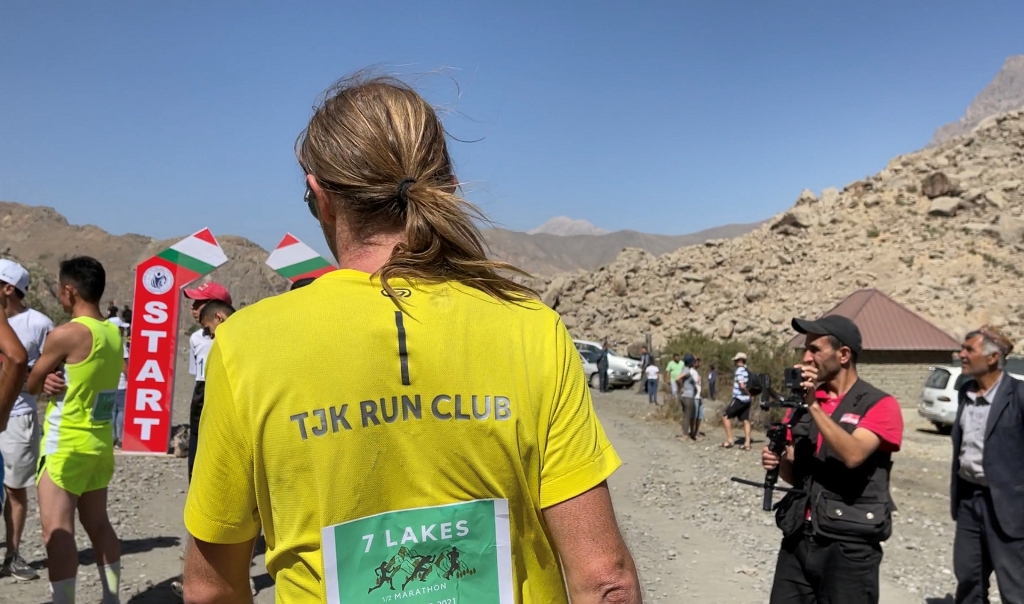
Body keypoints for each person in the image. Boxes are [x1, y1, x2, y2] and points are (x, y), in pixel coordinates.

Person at [182, 75, 640, 604]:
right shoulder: (531, 327)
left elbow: (210, 590)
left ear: (321, 198)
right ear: (447, 188)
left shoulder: (246, 345)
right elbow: (604, 580)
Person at [761, 316, 903, 604]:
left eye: (815, 349)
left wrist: (813, 405)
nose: (806, 357)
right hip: (798, 538)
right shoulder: (803, 404)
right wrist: (778, 460)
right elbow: (796, 475)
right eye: (805, 349)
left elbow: (853, 454)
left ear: (844, 354)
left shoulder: (879, 404)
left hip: (849, 546)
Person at [26, 256, 123, 604]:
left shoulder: (66, 334)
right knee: (99, 524)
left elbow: (32, 383)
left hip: (65, 443)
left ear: (69, 290)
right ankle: (111, 598)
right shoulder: (112, 332)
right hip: (99, 442)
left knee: (57, 530)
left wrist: (44, 380)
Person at [949, 326, 1024, 603]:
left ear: (992, 358)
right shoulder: (965, 393)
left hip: (1009, 505)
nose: (961, 354)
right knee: (969, 577)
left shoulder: (1018, 395)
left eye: (969, 350)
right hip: (969, 499)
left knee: (1014, 586)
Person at [0, 260, 53, 580]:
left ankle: (13, 554)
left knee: (14, 489)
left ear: (8, 288)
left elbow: (55, 369)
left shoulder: (39, 324)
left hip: (18, 417)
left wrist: (33, 378)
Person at [182, 281, 232, 482]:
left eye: (199, 303)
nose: (193, 308)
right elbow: (197, 372)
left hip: (227, 392)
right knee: (197, 445)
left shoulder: (236, 334)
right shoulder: (196, 338)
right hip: (202, 392)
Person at [105, 316, 129, 450]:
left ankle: (112, 437)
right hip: (120, 383)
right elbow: (123, 364)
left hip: (108, 383)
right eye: (121, 328)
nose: (124, 331)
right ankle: (120, 438)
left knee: (112, 411)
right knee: (121, 410)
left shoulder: (105, 342)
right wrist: (129, 378)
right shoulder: (119, 344)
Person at [721, 352, 752, 450]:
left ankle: (730, 440)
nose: (735, 362)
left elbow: (742, 385)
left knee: (726, 417)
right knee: (745, 420)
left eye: (736, 360)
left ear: (740, 360)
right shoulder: (747, 371)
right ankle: (747, 443)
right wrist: (750, 396)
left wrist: (748, 393)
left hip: (739, 398)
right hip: (747, 400)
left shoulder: (739, 371)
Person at [678, 353, 698, 440]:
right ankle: (685, 434)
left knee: (687, 415)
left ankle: (688, 433)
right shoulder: (687, 371)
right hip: (687, 396)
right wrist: (681, 387)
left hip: (686, 395)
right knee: (687, 416)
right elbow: (677, 378)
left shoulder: (685, 369)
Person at [691, 357, 705, 440]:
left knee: (700, 416)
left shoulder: (696, 372)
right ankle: (693, 433)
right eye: (697, 362)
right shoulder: (691, 372)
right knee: (694, 415)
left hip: (698, 396)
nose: (699, 363)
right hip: (694, 397)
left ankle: (696, 431)